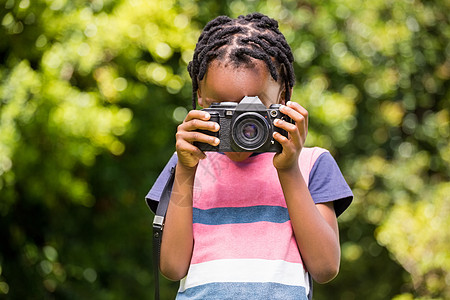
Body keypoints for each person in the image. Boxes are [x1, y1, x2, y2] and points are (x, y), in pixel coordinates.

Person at [147, 12, 353, 299]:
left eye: (252, 108)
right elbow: (172, 266)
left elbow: (325, 267)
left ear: (283, 97)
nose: (240, 124)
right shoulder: (188, 164)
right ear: (199, 98)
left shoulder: (311, 164)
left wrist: (289, 169)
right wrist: (184, 171)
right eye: (221, 108)